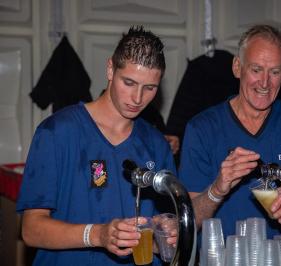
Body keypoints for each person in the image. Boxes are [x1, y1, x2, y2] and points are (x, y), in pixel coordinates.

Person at [16, 26, 177, 265]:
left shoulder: (156, 144)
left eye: (149, 88)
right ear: (110, 69)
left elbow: (159, 233)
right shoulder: (57, 132)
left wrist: (168, 234)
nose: (137, 98)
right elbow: (31, 229)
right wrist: (98, 235)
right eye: (129, 82)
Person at [178, 24, 281, 238]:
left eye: (274, 72)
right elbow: (189, 221)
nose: (265, 83)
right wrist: (218, 189)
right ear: (237, 67)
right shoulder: (201, 127)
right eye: (256, 70)